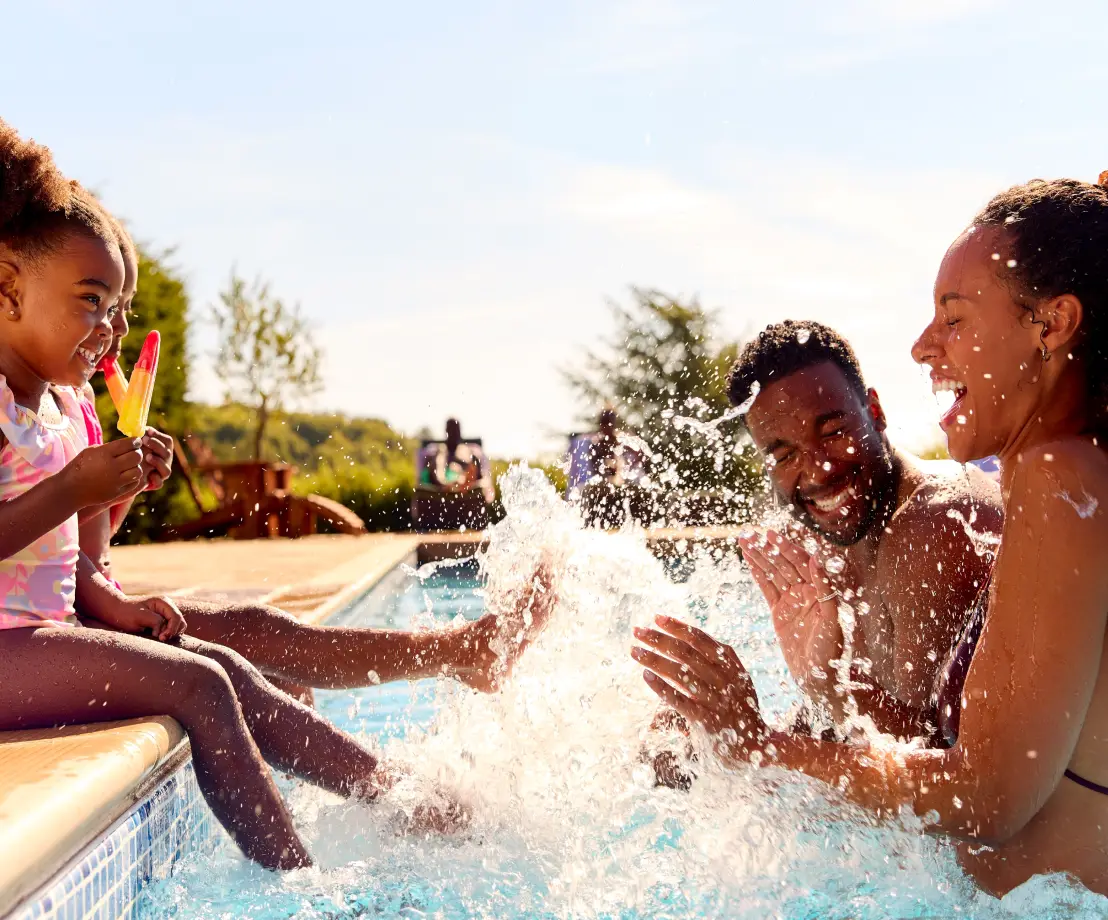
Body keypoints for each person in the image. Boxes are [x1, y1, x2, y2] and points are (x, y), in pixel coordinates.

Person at [0, 122, 541, 870]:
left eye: (115, 308)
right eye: (92, 303)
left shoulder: (64, 411)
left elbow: (74, 563)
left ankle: (403, 800)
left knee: (236, 668)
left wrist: (111, 524)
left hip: (39, 633)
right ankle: (299, 887)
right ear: (6, 286)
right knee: (201, 682)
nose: (109, 331)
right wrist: (74, 486)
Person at [633, 174, 1108, 895]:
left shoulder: (1058, 477)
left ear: (1052, 324)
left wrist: (756, 746)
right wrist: (814, 693)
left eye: (954, 319)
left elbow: (986, 798)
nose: (922, 347)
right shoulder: (1069, 474)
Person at [78, 224, 536, 700]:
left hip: (102, 601)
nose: (121, 327)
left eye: (123, 308)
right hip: (84, 615)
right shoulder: (36, 413)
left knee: (274, 649)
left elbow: (87, 540)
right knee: (264, 651)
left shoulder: (79, 403)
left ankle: (456, 661)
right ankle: (460, 653)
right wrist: (112, 595)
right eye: (101, 304)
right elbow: (57, 552)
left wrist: (125, 486)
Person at [729, 321, 1001, 737]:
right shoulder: (821, 537)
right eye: (785, 456)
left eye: (834, 432)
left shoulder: (941, 523)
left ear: (874, 412)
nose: (817, 470)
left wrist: (822, 692)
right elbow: (844, 725)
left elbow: (935, 755)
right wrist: (725, 737)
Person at [420, 418, 494, 504]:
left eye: (456, 430)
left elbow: (484, 478)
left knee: (472, 471)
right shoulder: (440, 453)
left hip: (466, 488)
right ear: (446, 432)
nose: (453, 434)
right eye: (451, 430)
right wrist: (447, 485)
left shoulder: (470, 453)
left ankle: (457, 484)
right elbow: (436, 472)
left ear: (460, 431)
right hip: (442, 488)